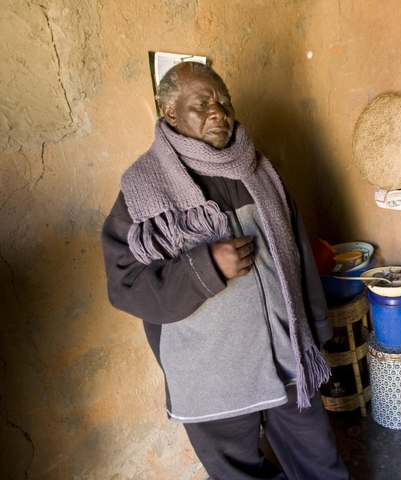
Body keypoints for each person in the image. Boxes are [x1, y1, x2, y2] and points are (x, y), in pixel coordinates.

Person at [102, 61, 353, 480]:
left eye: (223, 101)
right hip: (211, 376)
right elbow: (124, 285)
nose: (218, 112)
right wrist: (206, 268)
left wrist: (316, 329)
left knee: (321, 465)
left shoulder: (259, 170)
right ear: (170, 113)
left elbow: (298, 250)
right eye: (201, 104)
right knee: (239, 473)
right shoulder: (142, 191)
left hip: (286, 356)